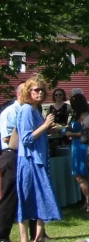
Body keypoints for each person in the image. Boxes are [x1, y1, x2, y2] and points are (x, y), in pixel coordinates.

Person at [16, 75, 61, 242]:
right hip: (29, 161)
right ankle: (24, 239)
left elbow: (37, 135)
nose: (40, 92)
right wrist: (45, 125)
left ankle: (39, 237)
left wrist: (49, 130)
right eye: (36, 90)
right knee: (27, 200)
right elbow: (26, 139)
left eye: (42, 89)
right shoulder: (27, 110)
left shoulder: (36, 110)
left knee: (43, 197)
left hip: (39, 160)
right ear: (29, 92)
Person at [0, 83, 37, 242]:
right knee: (10, 196)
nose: (30, 94)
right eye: (27, 92)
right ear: (19, 94)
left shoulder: (30, 110)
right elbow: (7, 138)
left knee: (32, 194)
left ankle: (36, 233)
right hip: (11, 156)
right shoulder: (10, 112)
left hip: (27, 156)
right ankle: (2, 234)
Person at [66, 93, 89, 212]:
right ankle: (87, 201)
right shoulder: (75, 115)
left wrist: (72, 134)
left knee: (80, 175)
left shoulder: (85, 115)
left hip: (82, 146)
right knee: (80, 175)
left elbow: (87, 133)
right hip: (75, 146)